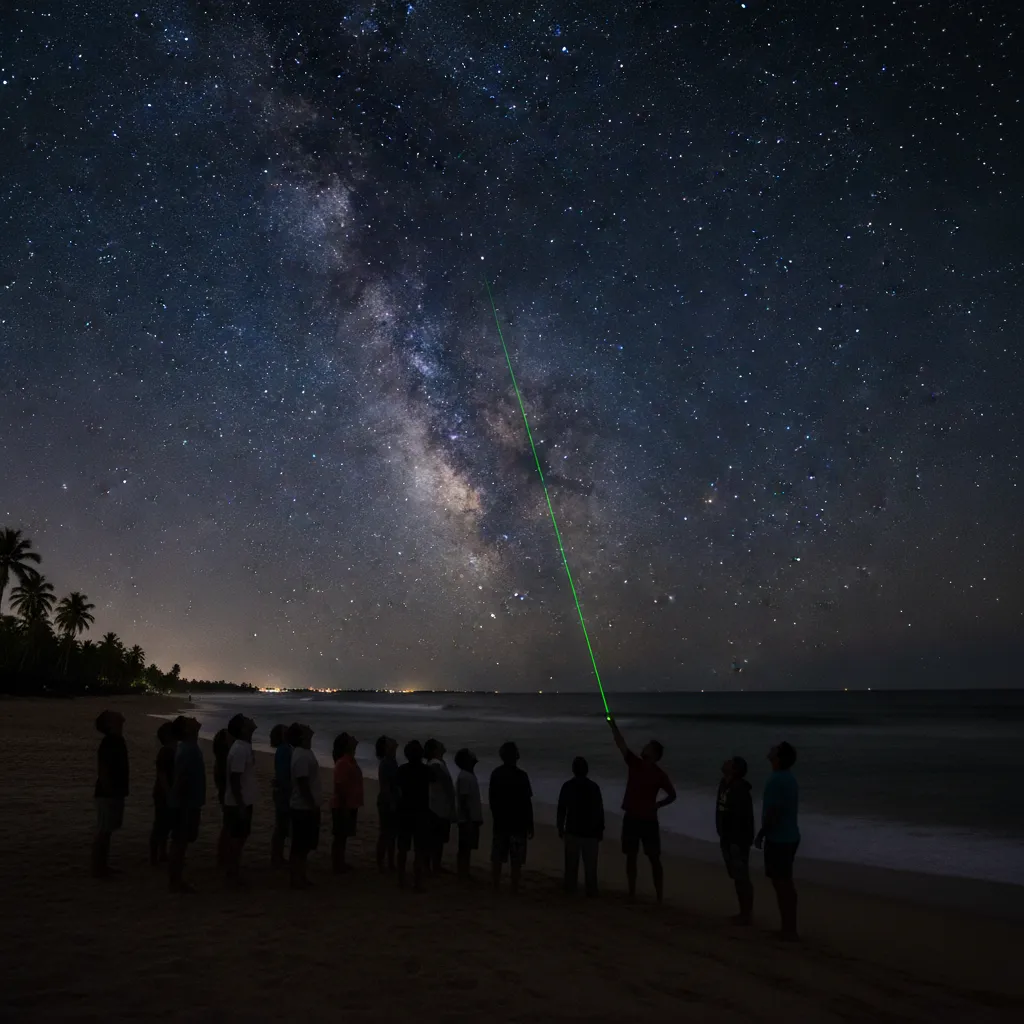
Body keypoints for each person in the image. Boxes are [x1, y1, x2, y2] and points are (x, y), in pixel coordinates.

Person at [608, 717, 676, 903]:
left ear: (653, 754)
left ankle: (659, 895)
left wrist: (657, 805)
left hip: (647, 820)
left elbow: (672, 795)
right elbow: (621, 744)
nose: (643, 748)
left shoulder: (658, 774)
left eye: (647, 747)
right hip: (632, 816)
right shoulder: (635, 763)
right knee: (631, 856)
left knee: (653, 858)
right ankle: (632, 891)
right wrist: (613, 726)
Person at [755, 741, 800, 940]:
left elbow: (773, 812)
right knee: (784, 882)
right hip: (789, 836)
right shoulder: (788, 778)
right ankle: (789, 926)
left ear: (779, 757)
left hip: (780, 838)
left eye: (774, 749)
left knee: (781, 883)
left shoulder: (776, 780)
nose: (770, 749)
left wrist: (762, 833)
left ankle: (788, 929)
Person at [167, 715, 206, 893]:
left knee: (183, 840)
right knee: (180, 841)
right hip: (186, 803)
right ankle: (175, 880)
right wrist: (180, 804)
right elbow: (181, 779)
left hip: (188, 802)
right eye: (189, 720)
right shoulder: (188, 749)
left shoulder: (189, 748)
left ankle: (176, 878)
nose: (194, 718)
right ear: (186, 730)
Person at [489, 741, 533, 893]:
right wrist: (530, 824)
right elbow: (527, 803)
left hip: (501, 821)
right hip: (518, 823)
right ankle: (513, 886)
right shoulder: (522, 776)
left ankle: (495, 885)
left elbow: (492, 799)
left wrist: (495, 816)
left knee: (498, 857)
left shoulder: (496, 774)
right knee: (516, 860)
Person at [556, 756, 604, 897]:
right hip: (590, 832)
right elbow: (599, 811)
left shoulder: (567, 786)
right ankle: (591, 891)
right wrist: (600, 829)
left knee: (571, 865)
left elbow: (561, 809)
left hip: (573, 830)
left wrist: (560, 826)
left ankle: (571, 890)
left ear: (573, 770)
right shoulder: (594, 787)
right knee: (590, 867)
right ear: (587, 770)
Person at [716, 755, 755, 924]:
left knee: (741, 876)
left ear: (735, 770)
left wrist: (737, 840)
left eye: (730, 762)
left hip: (736, 839)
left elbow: (742, 817)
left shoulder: (739, 788)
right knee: (736, 875)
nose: (725, 762)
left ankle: (746, 914)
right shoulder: (724, 784)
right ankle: (744, 912)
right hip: (727, 837)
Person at [92, 710, 129, 878]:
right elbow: (103, 769)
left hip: (114, 791)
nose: (118, 714)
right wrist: (108, 790)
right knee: (104, 831)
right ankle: (100, 867)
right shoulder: (110, 742)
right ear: (109, 724)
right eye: (113, 715)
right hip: (108, 793)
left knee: (108, 829)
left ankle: (101, 865)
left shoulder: (116, 740)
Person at [223, 713, 257, 884]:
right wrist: (241, 804)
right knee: (237, 838)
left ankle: (232, 871)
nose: (251, 720)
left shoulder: (244, 746)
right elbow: (235, 779)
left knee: (239, 837)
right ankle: (232, 874)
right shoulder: (240, 749)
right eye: (246, 720)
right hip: (238, 803)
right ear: (243, 729)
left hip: (241, 801)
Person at [288, 722, 322, 890]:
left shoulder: (305, 753)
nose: (309, 727)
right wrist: (312, 804)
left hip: (305, 806)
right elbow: (302, 784)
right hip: (302, 807)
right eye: (304, 728)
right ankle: (296, 878)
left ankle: (301, 876)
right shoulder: (301, 755)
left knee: (305, 844)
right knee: (300, 845)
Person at [395, 739, 431, 892]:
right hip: (421, 811)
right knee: (419, 849)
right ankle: (417, 882)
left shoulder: (402, 770)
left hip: (405, 810)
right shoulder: (426, 770)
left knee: (403, 848)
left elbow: (397, 789)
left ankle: (401, 879)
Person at [330, 732, 364, 874]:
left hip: (349, 803)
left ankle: (340, 862)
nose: (353, 738)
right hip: (342, 804)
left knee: (343, 835)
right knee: (340, 835)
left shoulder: (349, 760)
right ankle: (337, 864)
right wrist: (344, 806)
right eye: (350, 738)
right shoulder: (343, 762)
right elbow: (340, 786)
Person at [424, 738, 457, 874]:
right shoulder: (435, 764)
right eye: (439, 744)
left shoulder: (436, 763)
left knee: (437, 839)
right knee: (436, 839)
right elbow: (445, 783)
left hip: (438, 805)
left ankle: (434, 865)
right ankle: (432, 866)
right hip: (437, 807)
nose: (442, 744)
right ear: (435, 750)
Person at [150, 721, 177, 865]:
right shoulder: (166, 752)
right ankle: (156, 855)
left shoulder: (171, 750)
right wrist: (168, 792)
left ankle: (161, 853)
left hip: (167, 792)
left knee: (165, 825)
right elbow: (162, 774)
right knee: (161, 825)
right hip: (164, 793)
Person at [454, 748, 483, 880]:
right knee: (465, 847)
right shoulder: (465, 776)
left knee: (467, 847)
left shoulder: (467, 775)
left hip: (469, 818)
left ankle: (464, 871)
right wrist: (470, 819)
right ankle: (462, 872)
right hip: (467, 819)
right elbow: (464, 800)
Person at [375, 735, 399, 872]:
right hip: (387, 801)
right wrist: (391, 802)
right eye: (389, 741)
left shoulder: (391, 761)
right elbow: (385, 786)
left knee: (391, 834)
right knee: (386, 833)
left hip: (389, 800)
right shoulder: (387, 763)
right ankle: (382, 863)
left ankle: (389, 862)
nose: (393, 741)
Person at [269, 724, 292, 868]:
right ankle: (277, 857)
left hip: (282, 791)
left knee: (281, 826)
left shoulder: (284, 749)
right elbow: (284, 774)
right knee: (281, 827)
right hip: (284, 793)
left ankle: (277, 856)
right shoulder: (284, 750)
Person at [212, 727, 232, 868]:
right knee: (228, 826)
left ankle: (223, 857)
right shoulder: (224, 761)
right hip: (227, 795)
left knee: (228, 826)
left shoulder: (222, 760)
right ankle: (223, 858)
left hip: (225, 794)